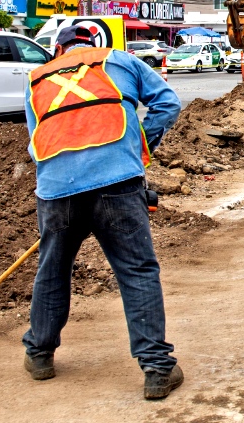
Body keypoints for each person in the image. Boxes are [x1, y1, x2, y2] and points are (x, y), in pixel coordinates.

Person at [23, 24, 185, 400]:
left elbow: (36, 141)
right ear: (93, 45)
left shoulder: (37, 79)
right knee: (137, 271)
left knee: (53, 270)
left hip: (56, 190)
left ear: (58, 50)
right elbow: (168, 104)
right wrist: (141, 145)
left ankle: (40, 355)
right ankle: (157, 369)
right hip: (118, 183)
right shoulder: (122, 61)